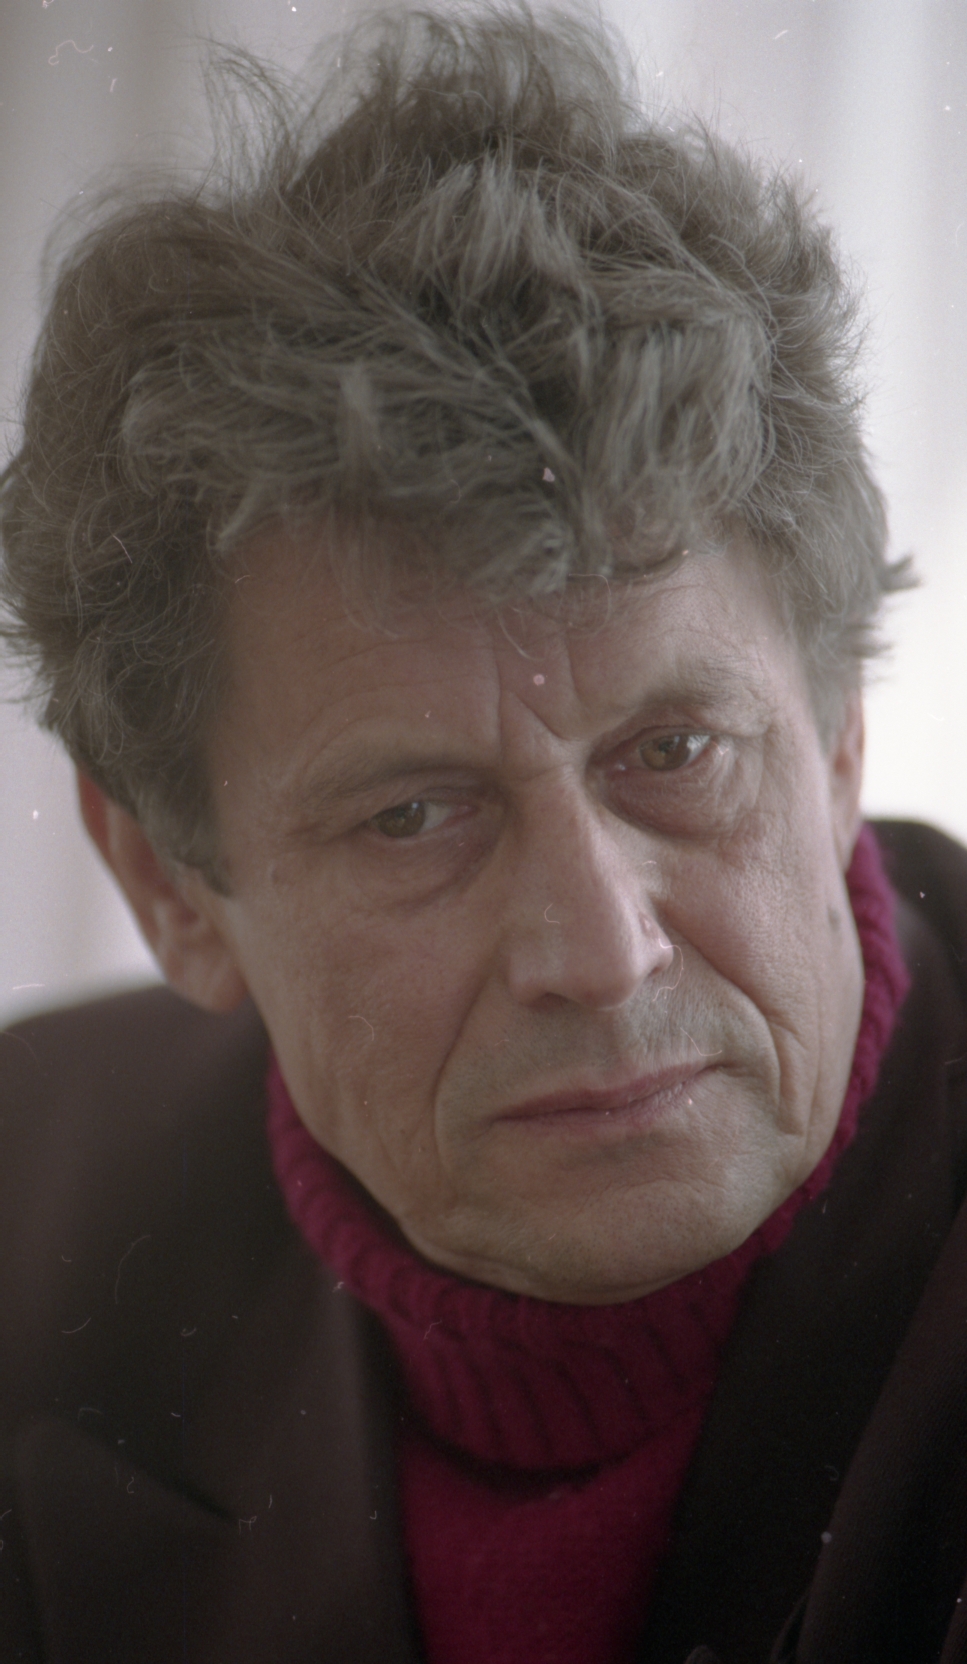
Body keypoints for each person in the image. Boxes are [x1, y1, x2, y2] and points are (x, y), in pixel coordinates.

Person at [1, 7, 966, 1661]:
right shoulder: (25, 1203)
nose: (601, 953)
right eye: (412, 816)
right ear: (171, 884)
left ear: (836, 744)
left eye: (675, 752)